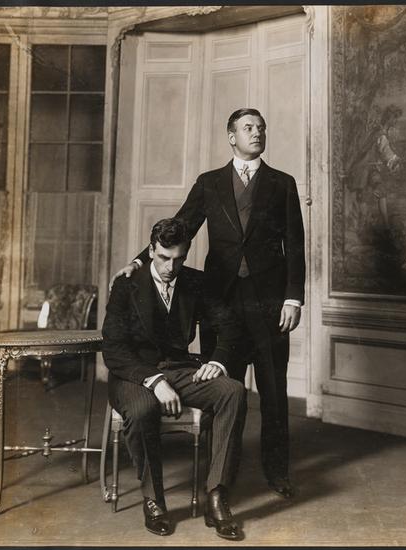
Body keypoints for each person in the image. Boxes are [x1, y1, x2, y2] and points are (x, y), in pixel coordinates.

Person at [111, 108, 306, 499]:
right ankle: (221, 479)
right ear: (231, 136)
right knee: (223, 389)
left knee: (273, 390)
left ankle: (277, 472)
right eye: (248, 128)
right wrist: (138, 261)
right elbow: (177, 227)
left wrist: (293, 298)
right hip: (222, 303)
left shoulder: (282, 183)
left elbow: (296, 244)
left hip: (269, 305)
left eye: (261, 128)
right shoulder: (210, 183)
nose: (257, 133)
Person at [102, 218, 246, 540]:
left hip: (180, 369)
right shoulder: (126, 284)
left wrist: (218, 361)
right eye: (164, 257)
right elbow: (113, 349)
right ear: (151, 250)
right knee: (142, 410)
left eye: (179, 259)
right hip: (133, 373)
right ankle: (154, 500)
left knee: (233, 391)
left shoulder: (195, 281)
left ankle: (217, 496)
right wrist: (154, 381)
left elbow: (230, 326)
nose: (171, 267)